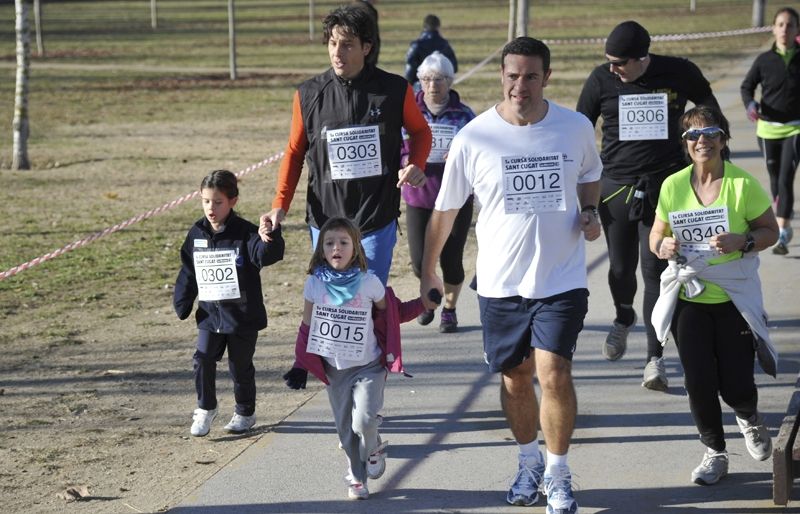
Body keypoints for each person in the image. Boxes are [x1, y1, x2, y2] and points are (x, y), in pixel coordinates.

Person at [420, 37, 602, 513]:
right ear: (501, 75)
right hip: (500, 282)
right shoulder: (475, 136)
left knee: (553, 371)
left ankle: (559, 475)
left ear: (547, 77)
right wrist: (427, 272)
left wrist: (589, 210)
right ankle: (528, 461)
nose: (521, 85)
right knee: (516, 378)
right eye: (512, 75)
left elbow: (590, 174)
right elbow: (446, 210)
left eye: (531, 76)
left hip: (560, 278)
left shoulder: (575, 127)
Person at [576, 20, 721, 392]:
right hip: (616, 189)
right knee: (622, 271)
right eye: (608, 61)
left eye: (620, 63)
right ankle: (623, 316)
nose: (613, 69)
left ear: (643, 58)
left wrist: (708, 151)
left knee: (655, 271)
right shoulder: (600, 81)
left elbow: (709, 111)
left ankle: (654, 359)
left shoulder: (679, 71)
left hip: (665, 187)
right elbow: (577, 130)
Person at [649, 106, 778, 485]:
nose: (701, 141)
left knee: (736, 384)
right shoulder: (673, 185)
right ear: (685, 143)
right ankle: (714, 452)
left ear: (723, 140)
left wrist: (746, 240)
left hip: (733, 297)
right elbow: (656, 235)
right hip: (689, 298)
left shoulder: (742, 184)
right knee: (698, 380)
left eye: (709, 133)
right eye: (692, 135)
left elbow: (769, 229)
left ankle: (748, 416)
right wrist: (663, 246)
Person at [260, 4, 432, 286]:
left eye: (347, 45)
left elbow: (421, 132)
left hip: (375, 219)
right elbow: (294, 152)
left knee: (369, 303)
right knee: (333, 306)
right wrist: (280, 204)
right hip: (326, 221)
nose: (337, 53)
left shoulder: (394, 89)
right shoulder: (308, 95)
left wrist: (416, 164)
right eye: (332, 43)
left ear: (366, 47)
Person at [282, 217, 426, 500]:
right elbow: (307, 327)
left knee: (364, 421)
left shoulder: (369, 283)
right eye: (330, 242)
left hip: (368, 366)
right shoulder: (313, 285)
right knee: (346, 431)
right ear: (321, 249)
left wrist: (423, 304)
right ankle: (357, 476)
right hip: (335, 370)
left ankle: (372, 447)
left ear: (356, 248)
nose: (337, 247)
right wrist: (300, 364)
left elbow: (392, 315)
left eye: (344, 242)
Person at [173, 170, 285, 437]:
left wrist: (270, 236)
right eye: (206, 201)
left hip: (242, 317)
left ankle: (245, 412)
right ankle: (205, 407)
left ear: (233, 201)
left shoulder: (246, 233)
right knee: (202, 358)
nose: (211, 208)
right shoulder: (197, 233)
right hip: (211, 314)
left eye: (218, 202)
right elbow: (189, 270)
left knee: (239, 365)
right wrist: (183, 300)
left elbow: (266, 255)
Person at [401, 51, 475, 332]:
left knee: (451, 259)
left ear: (451, 81)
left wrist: (459, 158)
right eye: (427, 79)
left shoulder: (464, 114)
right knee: (421, 263)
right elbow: (398, 149)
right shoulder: (409, 112)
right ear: (419, 81)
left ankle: (449, 309)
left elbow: (477, 153)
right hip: (419, 196)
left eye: (440, 79)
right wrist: (404, 166)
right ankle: (428, 300)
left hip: (455, 197)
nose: (433, 85)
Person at [741, 7, 800, 255]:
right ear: (774, 28)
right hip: (767, 130)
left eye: (790, 25)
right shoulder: (764, 60)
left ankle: (783, 232)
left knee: (786, 178)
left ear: (797, 30)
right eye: (780, 24)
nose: (785, 29)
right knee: (775, 178)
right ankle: (782, 215)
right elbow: (746, 87)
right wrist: (751, 105)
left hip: (795, 129)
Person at [404, 14, 458, 90]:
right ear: (438, 27)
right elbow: (453, 68)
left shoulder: (416, 46)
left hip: (420, 88)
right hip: (441, 89)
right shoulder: (445, 45)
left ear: (424, 27)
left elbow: (410, 69)